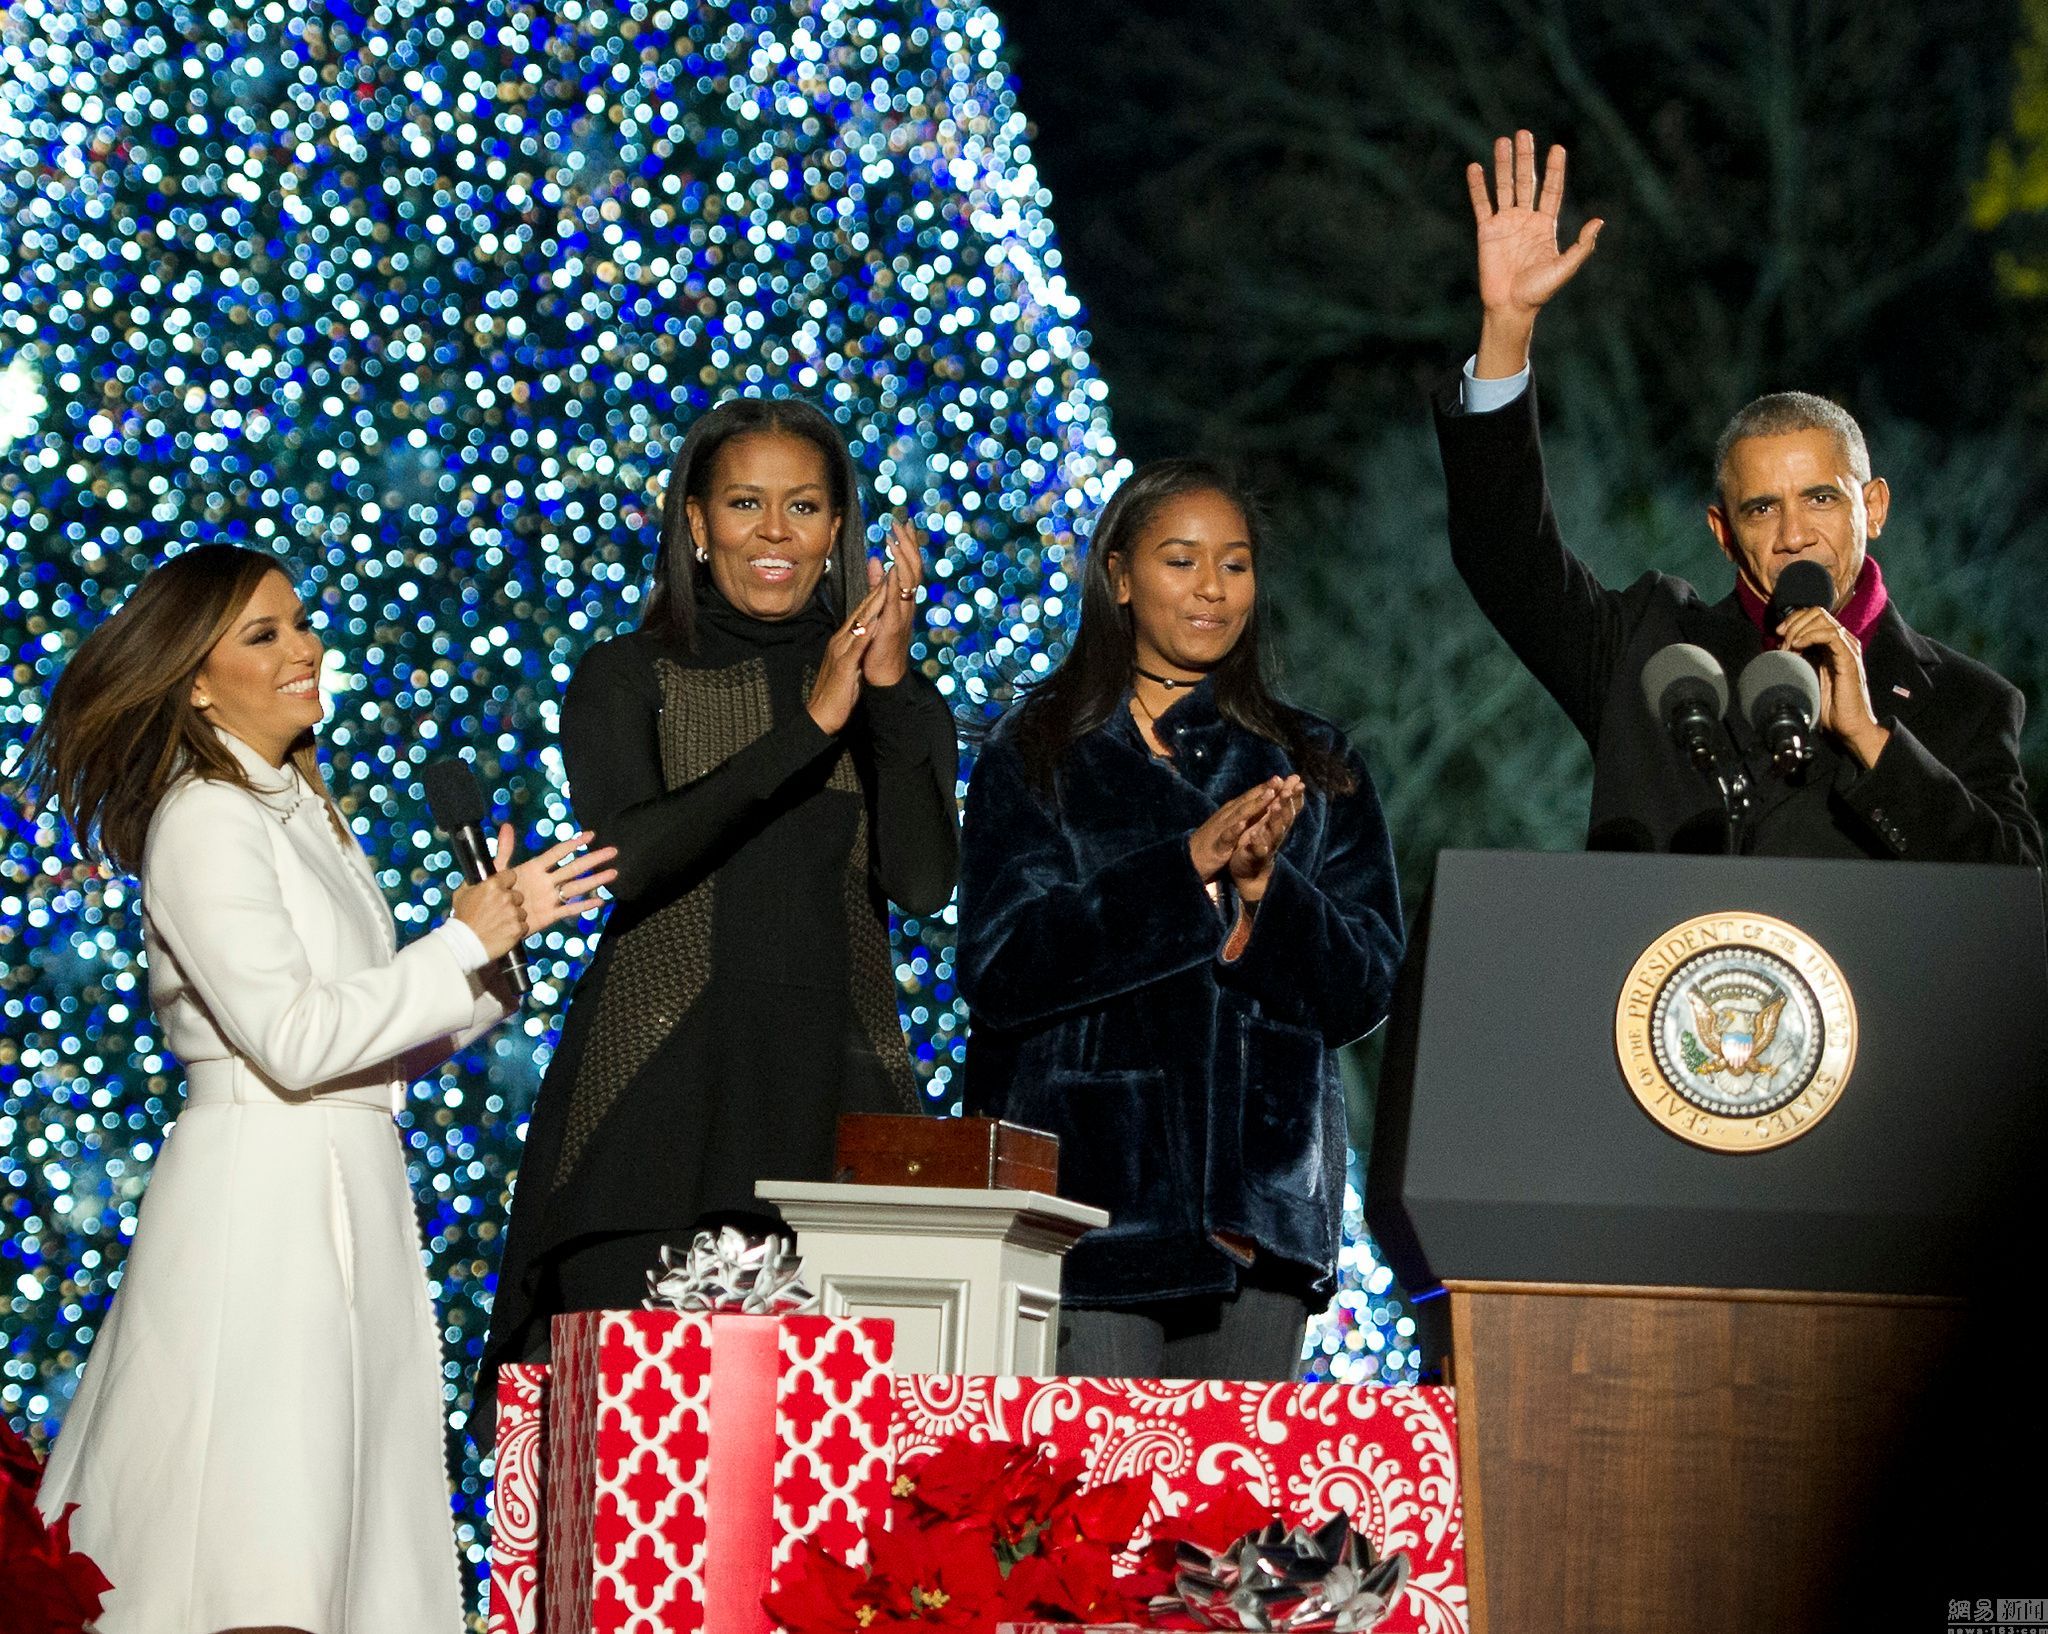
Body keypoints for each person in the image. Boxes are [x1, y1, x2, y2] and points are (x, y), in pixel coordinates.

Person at [23, 545, 614, 1634]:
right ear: (194, 678)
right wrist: (456, 941)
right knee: (254, 1550)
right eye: (264, 634)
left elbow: (363, 1039)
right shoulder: (202, 815)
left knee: (333, 1549)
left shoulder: (301, 807)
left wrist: (491, 957)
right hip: (262, 1209)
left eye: (299, 623)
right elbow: (292, 1039)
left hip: (343, 1192)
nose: (304, 649)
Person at [479, 396, 958, 1402]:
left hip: (837, 1133)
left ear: (839, 529)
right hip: (655, 1124)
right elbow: (630, 856)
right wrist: (807, 725)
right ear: (695, 523)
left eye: (805, 505)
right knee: (634, 1493)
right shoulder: (629, 675)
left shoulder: (884, 691)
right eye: (745, 502)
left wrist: (887, 686)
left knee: (826, 1500)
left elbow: (921, 881)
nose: (775, 531)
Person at [1437, 129, 2041, 864]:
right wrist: (1507, 328)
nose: (1793, 533)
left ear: (1873, 507)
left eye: (1820, 499)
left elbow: (2014, 900)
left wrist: (1872, 741)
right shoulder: (1652, 648)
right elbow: (1506, 557)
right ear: (1722, 532)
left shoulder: (1967, 702)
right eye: (1761, 508)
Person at [957, 460, 1404, 1381]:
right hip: (1088, 1217)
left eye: (1234, 564)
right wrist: (1181, 870)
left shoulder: (1314, 762)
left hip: (1264, 1216)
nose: (1212, 588)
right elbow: (1003, 971)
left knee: (1234, 1519)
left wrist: (1262, 892)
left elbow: (1365, 986)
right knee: (1095, 1509)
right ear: (1119, 577)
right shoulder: (1035, 752)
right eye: (1181, 560)